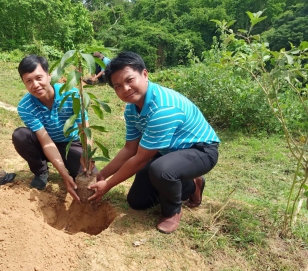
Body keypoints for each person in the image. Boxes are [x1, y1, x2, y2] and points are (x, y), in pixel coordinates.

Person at [88, 51, 220, 234]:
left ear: (144, 74)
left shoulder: (163, 108)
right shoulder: (132, 109)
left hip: (200, 150)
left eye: (129, 80)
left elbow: (140, 159)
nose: (125, 89)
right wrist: (103, 174)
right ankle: (190, 185)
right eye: (117, 86)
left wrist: (108, 185)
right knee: (137, 201)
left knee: (161, 171)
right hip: (166, 150)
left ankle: (172, 210)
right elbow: (129, 149)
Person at [12, 55, 93, 202]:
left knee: (88, 176)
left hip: (71, 143)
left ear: (49, 76)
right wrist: (64, 174)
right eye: (28, 81)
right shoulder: (25, 106)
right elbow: (46, 141)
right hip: (45, 144)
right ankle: (41, 172)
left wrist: (87, 155)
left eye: (39, 78)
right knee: (20, 135)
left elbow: (85, 131)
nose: (35, 85)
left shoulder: (71, 95)